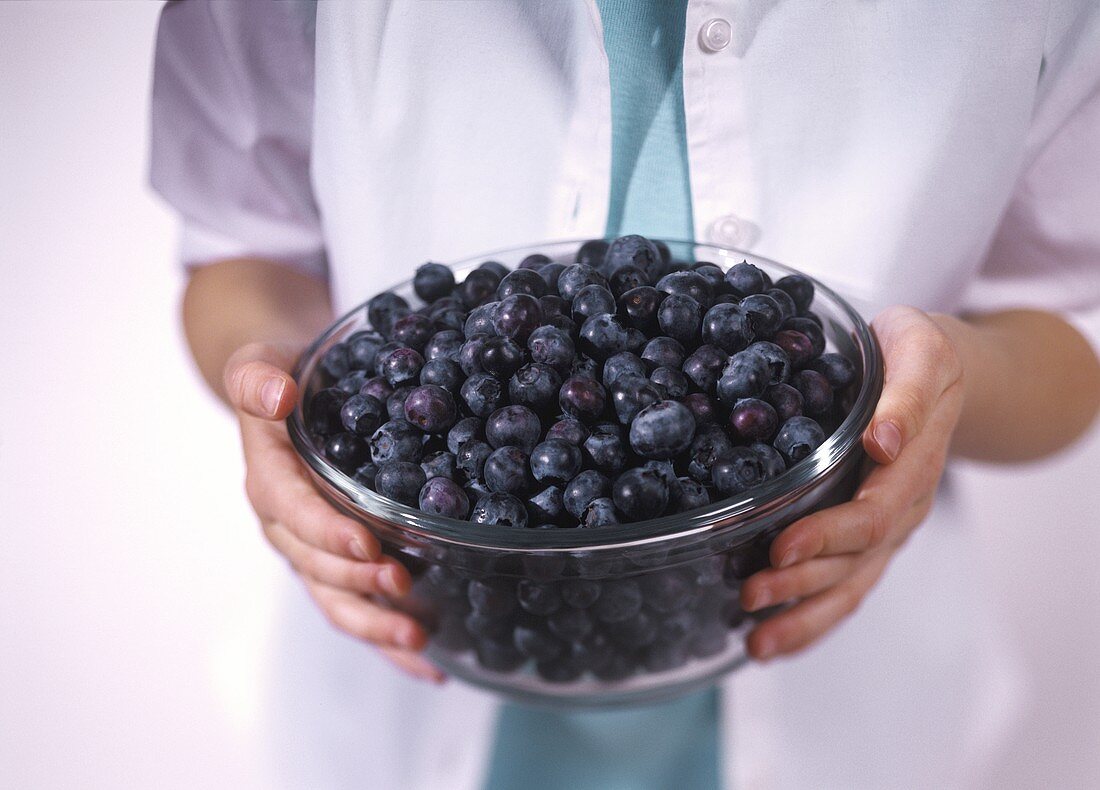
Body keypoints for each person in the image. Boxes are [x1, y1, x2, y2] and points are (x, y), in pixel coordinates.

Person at [151, 2, 1100, 788]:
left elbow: (1067, 341)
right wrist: (269, 383)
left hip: (843, 682)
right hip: (414, 651)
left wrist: (945, 378)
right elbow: (243, 251)